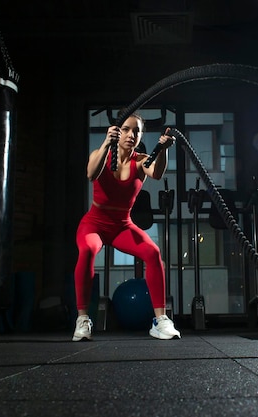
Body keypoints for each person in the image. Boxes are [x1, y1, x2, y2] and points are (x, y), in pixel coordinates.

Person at [72, 113, 180, 341]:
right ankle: (82, 320)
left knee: (153, 253)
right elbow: (91, 173)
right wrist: (105, 143)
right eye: (127, 129)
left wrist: (163, 149)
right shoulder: (101, 155)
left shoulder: (141, 161)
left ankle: (160, 321)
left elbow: (157, 174)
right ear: (117, 131)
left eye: (136, 131)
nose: (131, 135)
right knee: (88, 250)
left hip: (122, 225)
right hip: (95, 223)